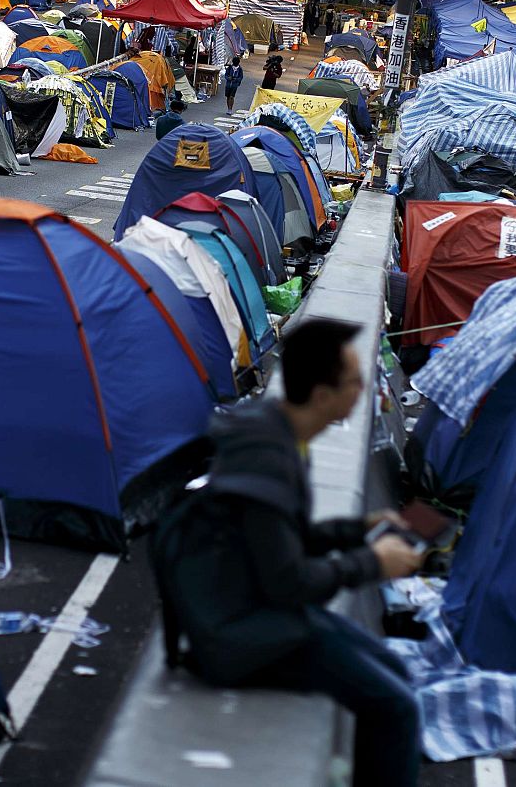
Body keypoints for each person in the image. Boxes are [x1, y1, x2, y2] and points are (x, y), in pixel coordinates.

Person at [155, 319, 423, 787]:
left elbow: (283, 539)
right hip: (242, 633)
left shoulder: (280, 431)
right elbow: (289, 583)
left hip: (247, 603)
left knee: (396, 670)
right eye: (355, 381)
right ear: (322, 396)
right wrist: (373, 563)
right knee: (398, 705)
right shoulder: (270, 459)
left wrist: (357, 529)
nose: (365, 390)